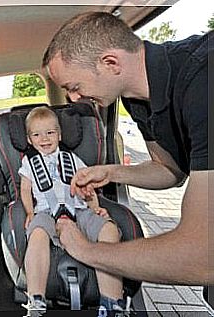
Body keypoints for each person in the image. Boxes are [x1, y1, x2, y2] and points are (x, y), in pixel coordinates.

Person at [42, 11, 212, 293]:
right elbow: (170, 171)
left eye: (74, 87)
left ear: (110, 63)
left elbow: (204, 255)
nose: (73, 99)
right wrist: (110, 172)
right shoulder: (136, 99)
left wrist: (85, 249)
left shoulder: (204, 80)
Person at [19, 106, 126, 317]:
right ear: (30, 140)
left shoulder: (72, 158)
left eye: (50, 132)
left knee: (109, 230)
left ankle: (112, 302)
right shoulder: (28, 163)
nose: (45, 138)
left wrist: (95, 207)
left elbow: (87, 186)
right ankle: (36, 299)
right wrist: (30, 212)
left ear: (59, 135)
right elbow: (25, 189)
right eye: (37, 134)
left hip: (79, 209)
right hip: (46, 212)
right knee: (37, 234)